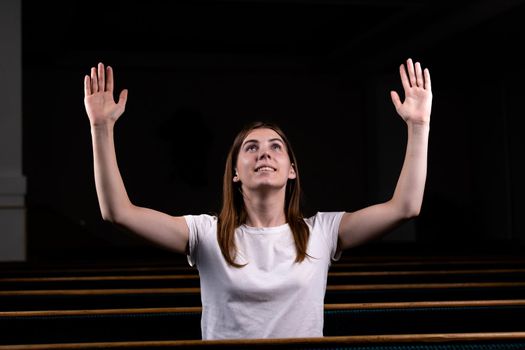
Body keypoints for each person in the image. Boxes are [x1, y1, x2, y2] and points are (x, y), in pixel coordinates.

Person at [83, 58, 432, 340]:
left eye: (275, 147)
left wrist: (418, 126)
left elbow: (406, 206)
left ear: (291, 170)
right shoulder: (207, 234)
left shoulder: (321, 231)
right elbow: (118, 212)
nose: (264, 154)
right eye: (251, 148)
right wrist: (101, 129)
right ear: (236, 173)